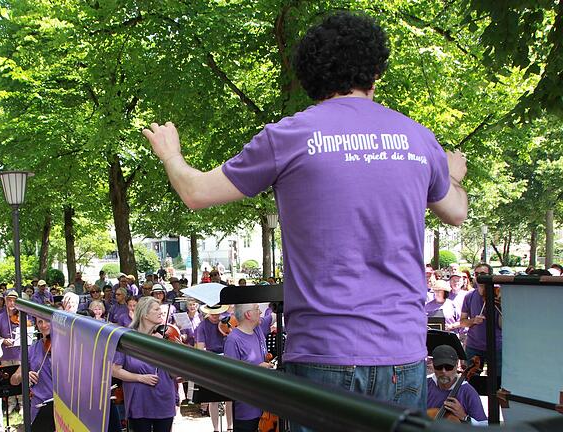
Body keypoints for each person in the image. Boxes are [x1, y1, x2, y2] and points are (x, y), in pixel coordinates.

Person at [142, 11, 469, 419]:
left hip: (321, 355)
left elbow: (195, 192)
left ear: (308, 74)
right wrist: (453, 175)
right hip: (402, 357)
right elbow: (456, 211)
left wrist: (170, 154)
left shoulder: (289, 136)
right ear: (376, 70)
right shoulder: (418, 138)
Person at [112, 297, 176, 432]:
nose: (161, 312)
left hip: (164, 400)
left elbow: (173, 374)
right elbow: (115, 370)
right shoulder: (127, 338)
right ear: (145, 314)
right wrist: (140, 378)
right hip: (139, 402)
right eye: (156, 309)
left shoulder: (164, 338)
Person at [223, 303, 274, 432]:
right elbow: (230, 376)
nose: (260, 313)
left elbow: (274, 316)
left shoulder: (257, 330)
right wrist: (257, 369)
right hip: (246, 410)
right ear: (248, 314)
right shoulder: (233, 340)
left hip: (265, 407)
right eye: (257, 310)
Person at [9, 315, 55, 428]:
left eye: (47, 321)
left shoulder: (66, 347)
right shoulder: (32, 349)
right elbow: (14, 380)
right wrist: (25, 375)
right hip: (40, 405)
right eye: (40, 322)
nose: (44, 325)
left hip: (62, 406)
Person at [426, 345, 488, 426]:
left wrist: (464, 417)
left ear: (456, 366)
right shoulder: (426, 384)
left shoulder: (468, 392)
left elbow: (484, 426)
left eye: (449, 367)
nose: (444, 371)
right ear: (433, 366)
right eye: (439, 367)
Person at [194, 304, 233, 430]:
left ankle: (230, 426)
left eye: (217, 313)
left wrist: (228, 332)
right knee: (213, 397)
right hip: (212, 360)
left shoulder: (226, 321)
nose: (215, 316)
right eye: (213, 314)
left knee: (229, 397)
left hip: (227, 357)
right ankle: (216, 428)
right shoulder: (202, 326)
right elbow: (200, 348)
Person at [458, 263, 502, 374]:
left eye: (483, 274)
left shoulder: (499, 295)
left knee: (497, 380)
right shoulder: (469, 296)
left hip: (496, 346)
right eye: (476, 274)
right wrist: (473, 321)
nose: (479, 277)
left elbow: (502, 325)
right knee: (472, 379)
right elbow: (462, 322)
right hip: (474, 346)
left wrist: (500, 307)